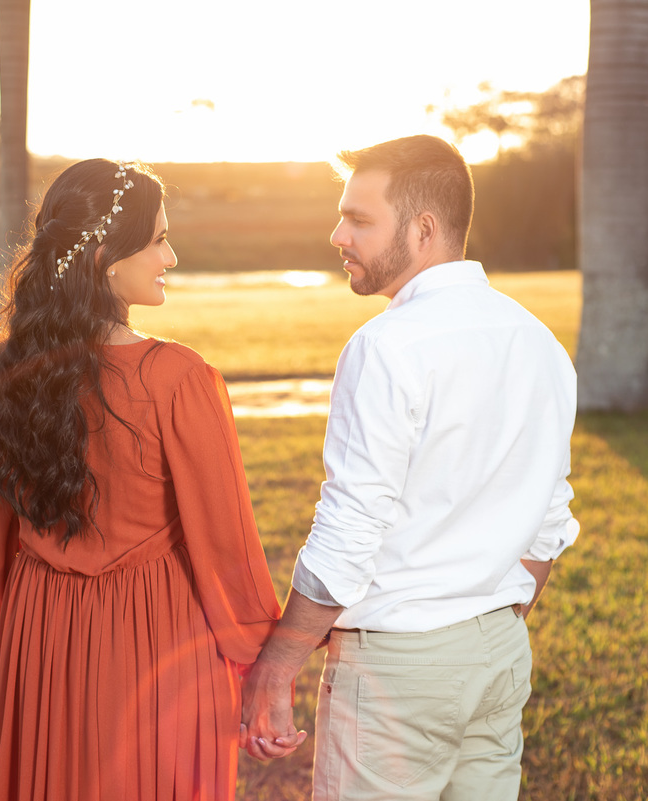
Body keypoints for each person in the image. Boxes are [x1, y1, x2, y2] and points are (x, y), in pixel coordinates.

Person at [240, 135, 580, 800]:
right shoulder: (539, 341)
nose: (337, 234)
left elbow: (348, 530)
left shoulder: (386, 346)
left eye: (360, 219)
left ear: (424, 229)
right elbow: (549, 521)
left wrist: (277, 664)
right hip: (500, 649)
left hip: (399, 663)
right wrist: (488, 617)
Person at [0, 158, 283, 801]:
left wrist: (9, 622)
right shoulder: (178, 378)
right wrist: (263, 664)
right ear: (108, 257)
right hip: (157, 638)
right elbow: (227, 546)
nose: (172, 254)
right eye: (159, 238)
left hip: (41, 629)